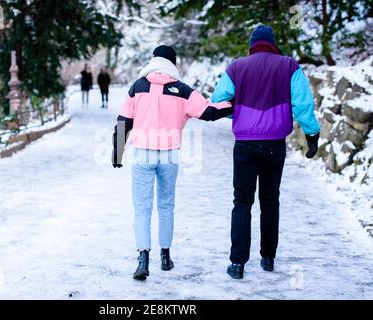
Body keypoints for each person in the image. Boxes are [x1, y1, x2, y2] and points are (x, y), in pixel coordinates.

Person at [112, 45, 234, 281]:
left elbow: (123, 120)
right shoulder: (182, 90)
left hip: (142, 154)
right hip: (168, 154)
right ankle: (166, 257)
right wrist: (234, 104)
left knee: (142, 208)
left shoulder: (138, 87)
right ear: (172, 63)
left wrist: (117, 152)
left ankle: (143, 259)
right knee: (166, 205)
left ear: (153, 61)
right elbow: (208, 112)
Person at [211, 25, 320, 279]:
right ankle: (268, 258)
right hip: (274, 144)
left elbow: (218, 100)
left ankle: (237, 263)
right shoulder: (289, 66)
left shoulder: (236, 67)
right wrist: (312, 135)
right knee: (270, 201)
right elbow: (303, 104)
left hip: (245, 144)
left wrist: (235, 108)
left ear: (252, 44)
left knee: (242, 201)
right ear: (272, 43)